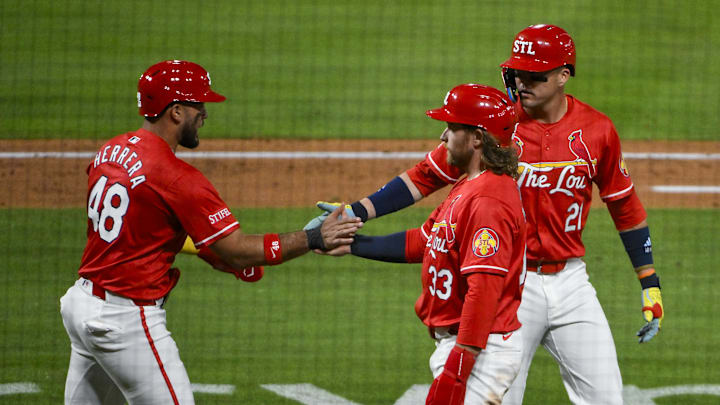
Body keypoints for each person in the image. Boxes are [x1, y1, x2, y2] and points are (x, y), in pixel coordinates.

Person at [309, 25, 664, 404]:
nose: (523, 82)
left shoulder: (597, 130)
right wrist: (357, 212)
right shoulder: (495, 125)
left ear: (564, 75)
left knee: (608, 399)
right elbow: (426, 176)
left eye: (535, 75)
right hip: (511, 283)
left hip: (571, 282)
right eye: (518, 73)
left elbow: (624, 206)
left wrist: (649, 281)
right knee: (496, 397)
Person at [59, 59, 362, 405]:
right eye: (198, 105)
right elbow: (236, 250)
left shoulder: (108, 152)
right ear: (175, 112)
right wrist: (313, 238)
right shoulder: (177, 177)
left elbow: (139, 226)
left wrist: (206, 250)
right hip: (126, 320)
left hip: (81, 305)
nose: (204, 112)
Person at [321, 84, 526, 404]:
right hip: (466, 347)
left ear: (477, 138)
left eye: (452, 127)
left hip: (481, 351)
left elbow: (483, 289)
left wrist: (459, 367)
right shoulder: (468, 186)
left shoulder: (488, 200)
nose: (443, 136)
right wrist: (352, 243)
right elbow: (426, 240)